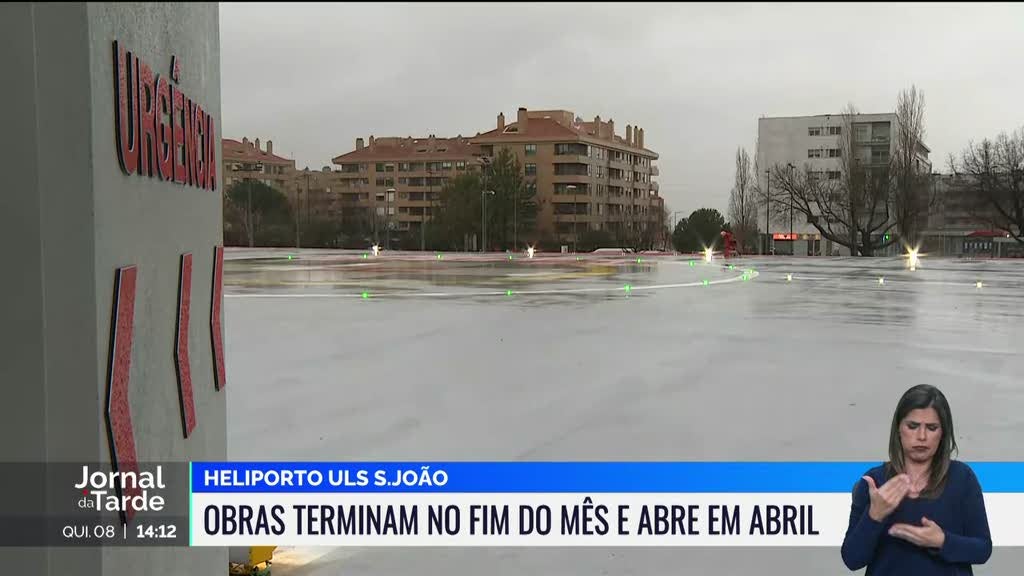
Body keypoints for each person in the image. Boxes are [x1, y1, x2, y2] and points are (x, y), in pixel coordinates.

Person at [841, 384, 992, 574]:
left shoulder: (962, 478)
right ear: (898, 429)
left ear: (943, 433)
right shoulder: (874, 482)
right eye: (912, 426)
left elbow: (983, 549)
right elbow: (852, 559)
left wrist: (943, 541)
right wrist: (874, 516)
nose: (921, 436)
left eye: (931, 428)